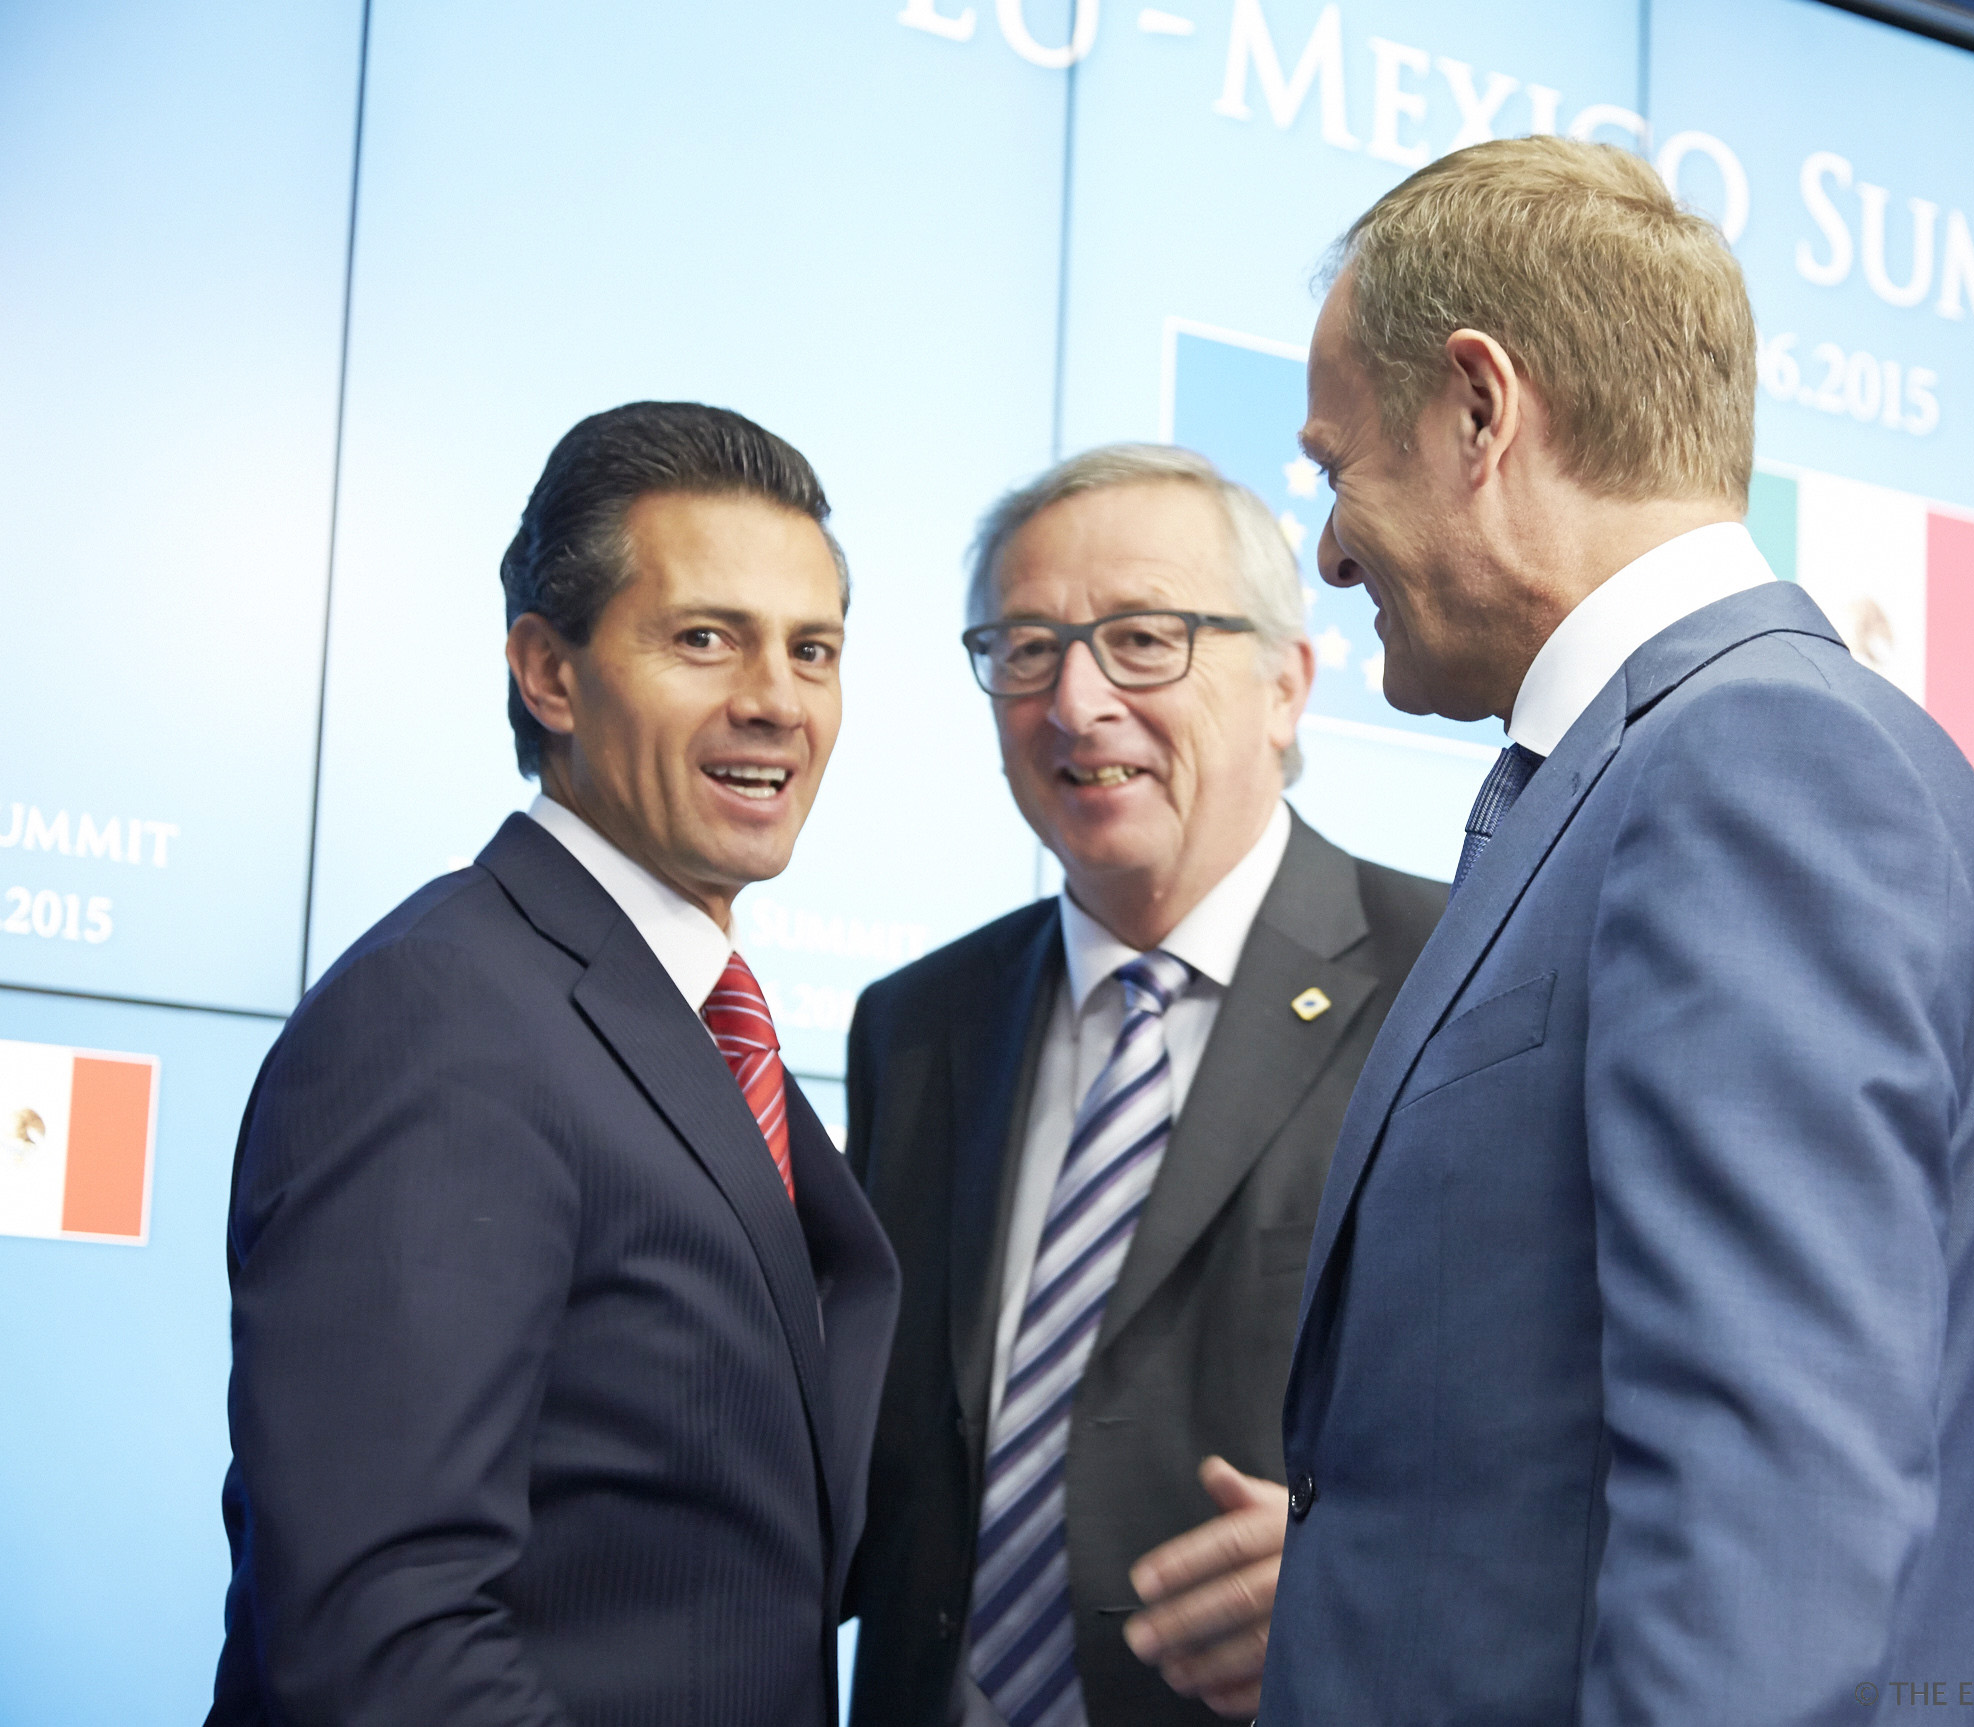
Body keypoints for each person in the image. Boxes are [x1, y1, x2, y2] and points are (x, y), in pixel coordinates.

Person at [1263, 140, 1974, 1725]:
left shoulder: (1754, 763)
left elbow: (1767, 1534)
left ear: (1478, 411)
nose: (1330, 548)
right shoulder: (1648, 770)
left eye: (1333, 465)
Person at [206, 402, 899, 1727]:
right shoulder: (438, 1016)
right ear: (549, 671)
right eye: (704, 637)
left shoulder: (690, 1018)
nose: (775, 698)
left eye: (812, 649)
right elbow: (383, 1638)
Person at [842, 445, 1447, 1727]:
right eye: (1023, 647)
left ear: (1284, 684)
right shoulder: (915, 1027)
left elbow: (1583, 1426)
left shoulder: (1448, 985)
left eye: (1140, 639)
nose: (1074, 701)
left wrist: (1382, 1574)